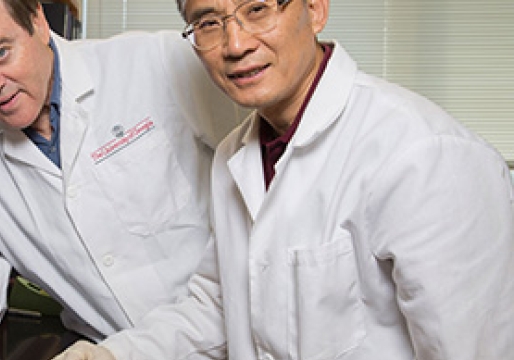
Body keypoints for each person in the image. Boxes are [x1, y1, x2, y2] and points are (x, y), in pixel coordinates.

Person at [53, 0, 514, 359]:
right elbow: (220, 308)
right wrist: (111, 354)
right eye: (209, 22)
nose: (235, 44)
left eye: (257, 9)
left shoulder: (426, 155)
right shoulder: (236, 154)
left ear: (314, 9)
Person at [0, 0, 246, 359]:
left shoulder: (156, 62)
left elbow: (265, 178)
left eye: (1, 52)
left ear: (38, 22)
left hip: (238, 341)